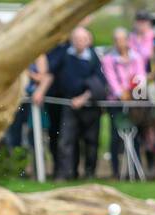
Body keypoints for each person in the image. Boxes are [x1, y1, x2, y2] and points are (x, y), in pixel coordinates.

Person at [36, 27, 106, 181]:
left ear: (88, 41)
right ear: (72, 40)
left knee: (90, 142)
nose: (79, 42)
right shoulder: (65, 55)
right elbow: (51, 75)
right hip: (69, 104)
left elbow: (100, 84)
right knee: (66, 140)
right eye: (77, 39)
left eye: (82, 39)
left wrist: (83, 98)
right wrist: (40, 91)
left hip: (89, 105)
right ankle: (65, 174)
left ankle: (89, 174)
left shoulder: (94, 58)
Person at [103, 27, 148, 179]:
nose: (120, 43)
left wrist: (134, 91)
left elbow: (140, 76)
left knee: (134, 135)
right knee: (116, 136)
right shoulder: (109, 59)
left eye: (123, 39)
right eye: (117, 40)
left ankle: (135, 170)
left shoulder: (136, 57)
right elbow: (111, 80)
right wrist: (121, 93)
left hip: (133, 101)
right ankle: (116, 171)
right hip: (116, 102)